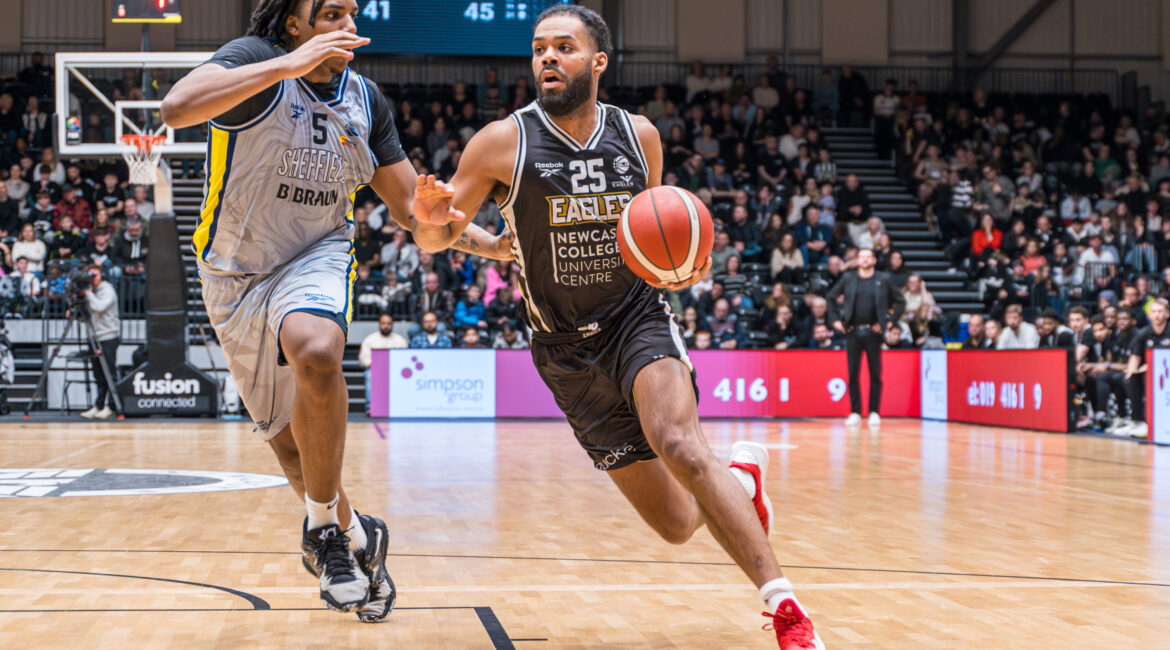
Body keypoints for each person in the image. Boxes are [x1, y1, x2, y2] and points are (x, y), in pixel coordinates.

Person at [406, 6, 823, 647]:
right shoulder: (499, 143)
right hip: (563, 351)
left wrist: (678, 271)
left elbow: (651, 234)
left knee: (681, 445)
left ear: (597, 61)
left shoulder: (640, 136)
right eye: (539, 48)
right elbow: (437, 237)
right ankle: (742, 482)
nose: (547, 58)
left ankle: (788, 611)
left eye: (564, 47)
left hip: (636, 321)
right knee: (679, 523)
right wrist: (430, 219)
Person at [161, 0, 512, 622]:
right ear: (293, 25)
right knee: (294, 456)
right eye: (329, 13)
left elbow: (415, 216)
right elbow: (176, 108)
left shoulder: (366, 101)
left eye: (351, 11)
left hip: (316, 254)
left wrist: (483, 243)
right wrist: (288, 64)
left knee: (317, 349)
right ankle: (358, 532)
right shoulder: (256, 62)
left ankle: (323, 533)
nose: (346, 23)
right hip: (233, 275)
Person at [826, 248, 907, 430]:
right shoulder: (849, 278)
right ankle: (855, 412)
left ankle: (874, 412)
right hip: (853, 332)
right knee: (853, 374)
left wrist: (888, 322)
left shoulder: (883, 279)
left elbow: (900, 302)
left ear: (873, 260)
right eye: (861, 257)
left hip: (874, 333)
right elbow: (830, 297)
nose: (864, 260)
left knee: (875, 374)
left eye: (867, 257)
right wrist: (835, 321)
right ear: (857, 260)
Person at [78, 265, 119, 420]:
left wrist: (88, 294)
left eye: (95, 275)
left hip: (108, 336)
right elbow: (86, 316)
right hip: (94, 337)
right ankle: (99, 405)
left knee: (109, 373)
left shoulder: (107, 290)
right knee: (98, 375)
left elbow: (99, 307)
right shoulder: (90, 292)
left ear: (101, 275)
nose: (92, 278)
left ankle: (112, 406)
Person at [1123, 299, 1170, 438]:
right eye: (1154, 311)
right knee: (1131, 379)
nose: (1157, 315)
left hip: (1166, 373)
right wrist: (1131, 371)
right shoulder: (1144, 333)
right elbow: (1135, 356)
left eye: (1160, 311)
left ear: (1167, 314)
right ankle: (1140, 421)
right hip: (1151, 373)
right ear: (1149, 315)